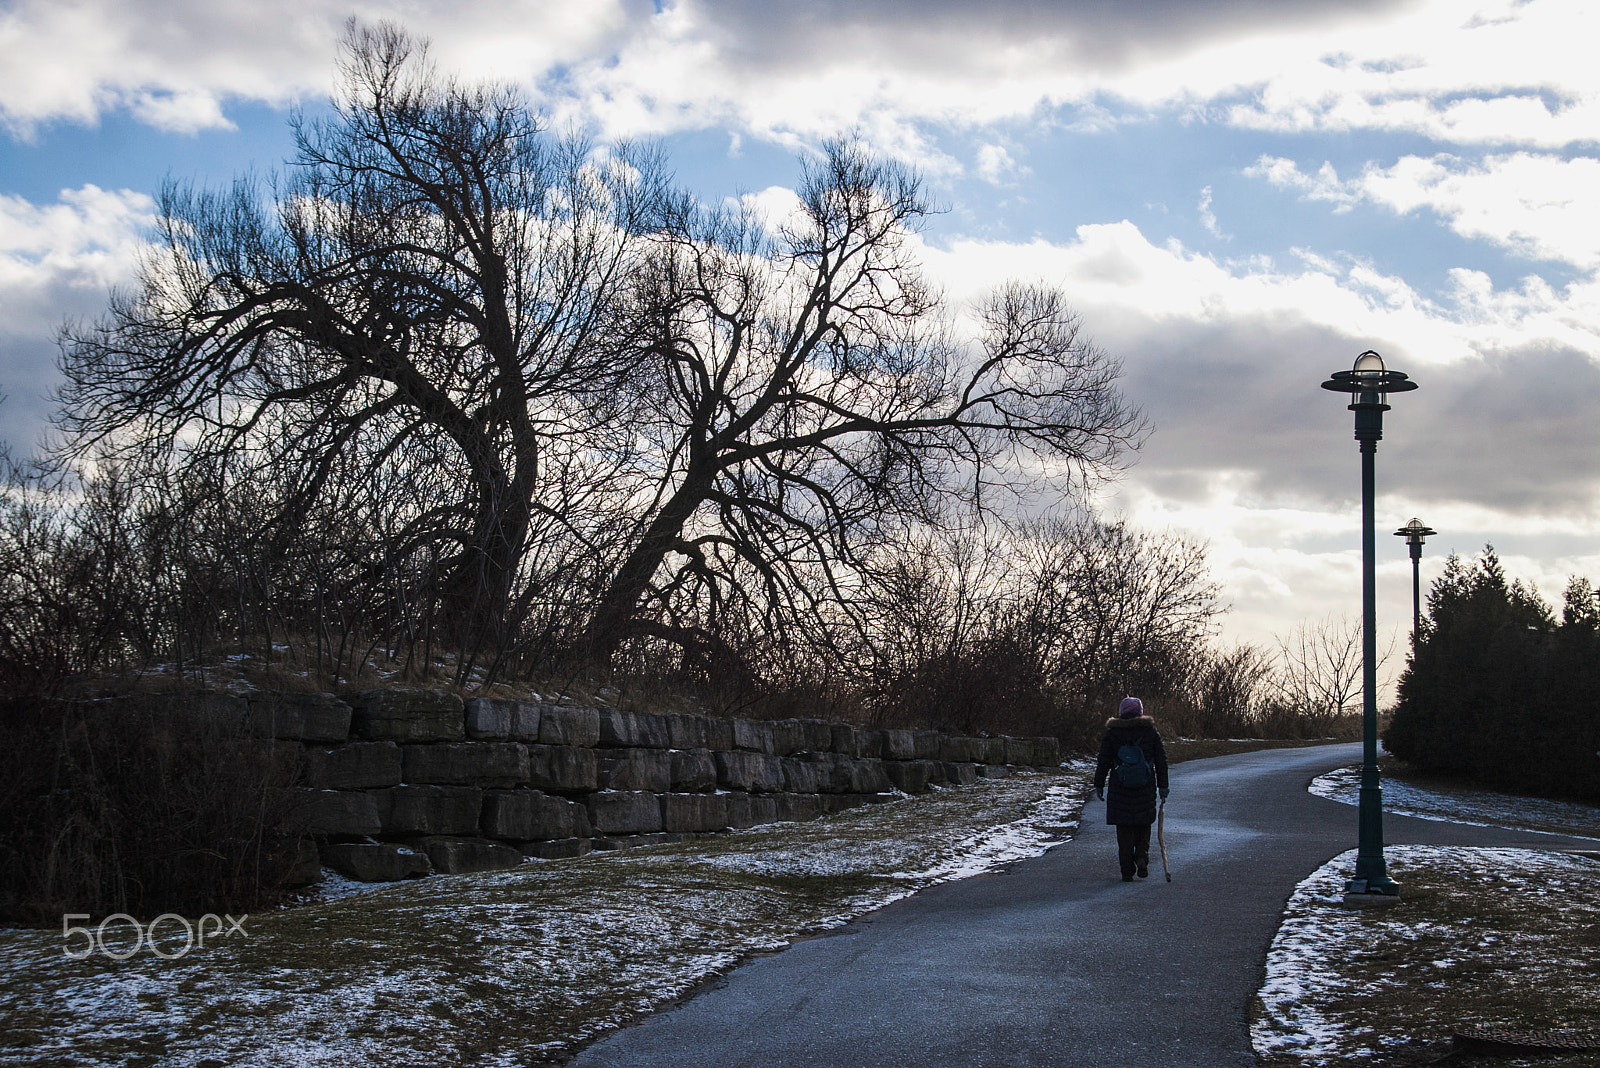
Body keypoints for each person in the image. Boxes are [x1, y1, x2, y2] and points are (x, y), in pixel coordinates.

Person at [1094, 696, 1170, 881]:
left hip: (1120, 788)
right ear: (1140, 712)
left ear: (1121, 712)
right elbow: (1161, 760)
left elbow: (1103, 761)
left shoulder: (1112, 733)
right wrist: (1163, 785)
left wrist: (1098, 784)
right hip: (1145, 787)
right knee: (1143, 824)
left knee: (1124, 829)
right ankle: (1142, 856)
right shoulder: (1150, 732)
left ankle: (1127, 870)